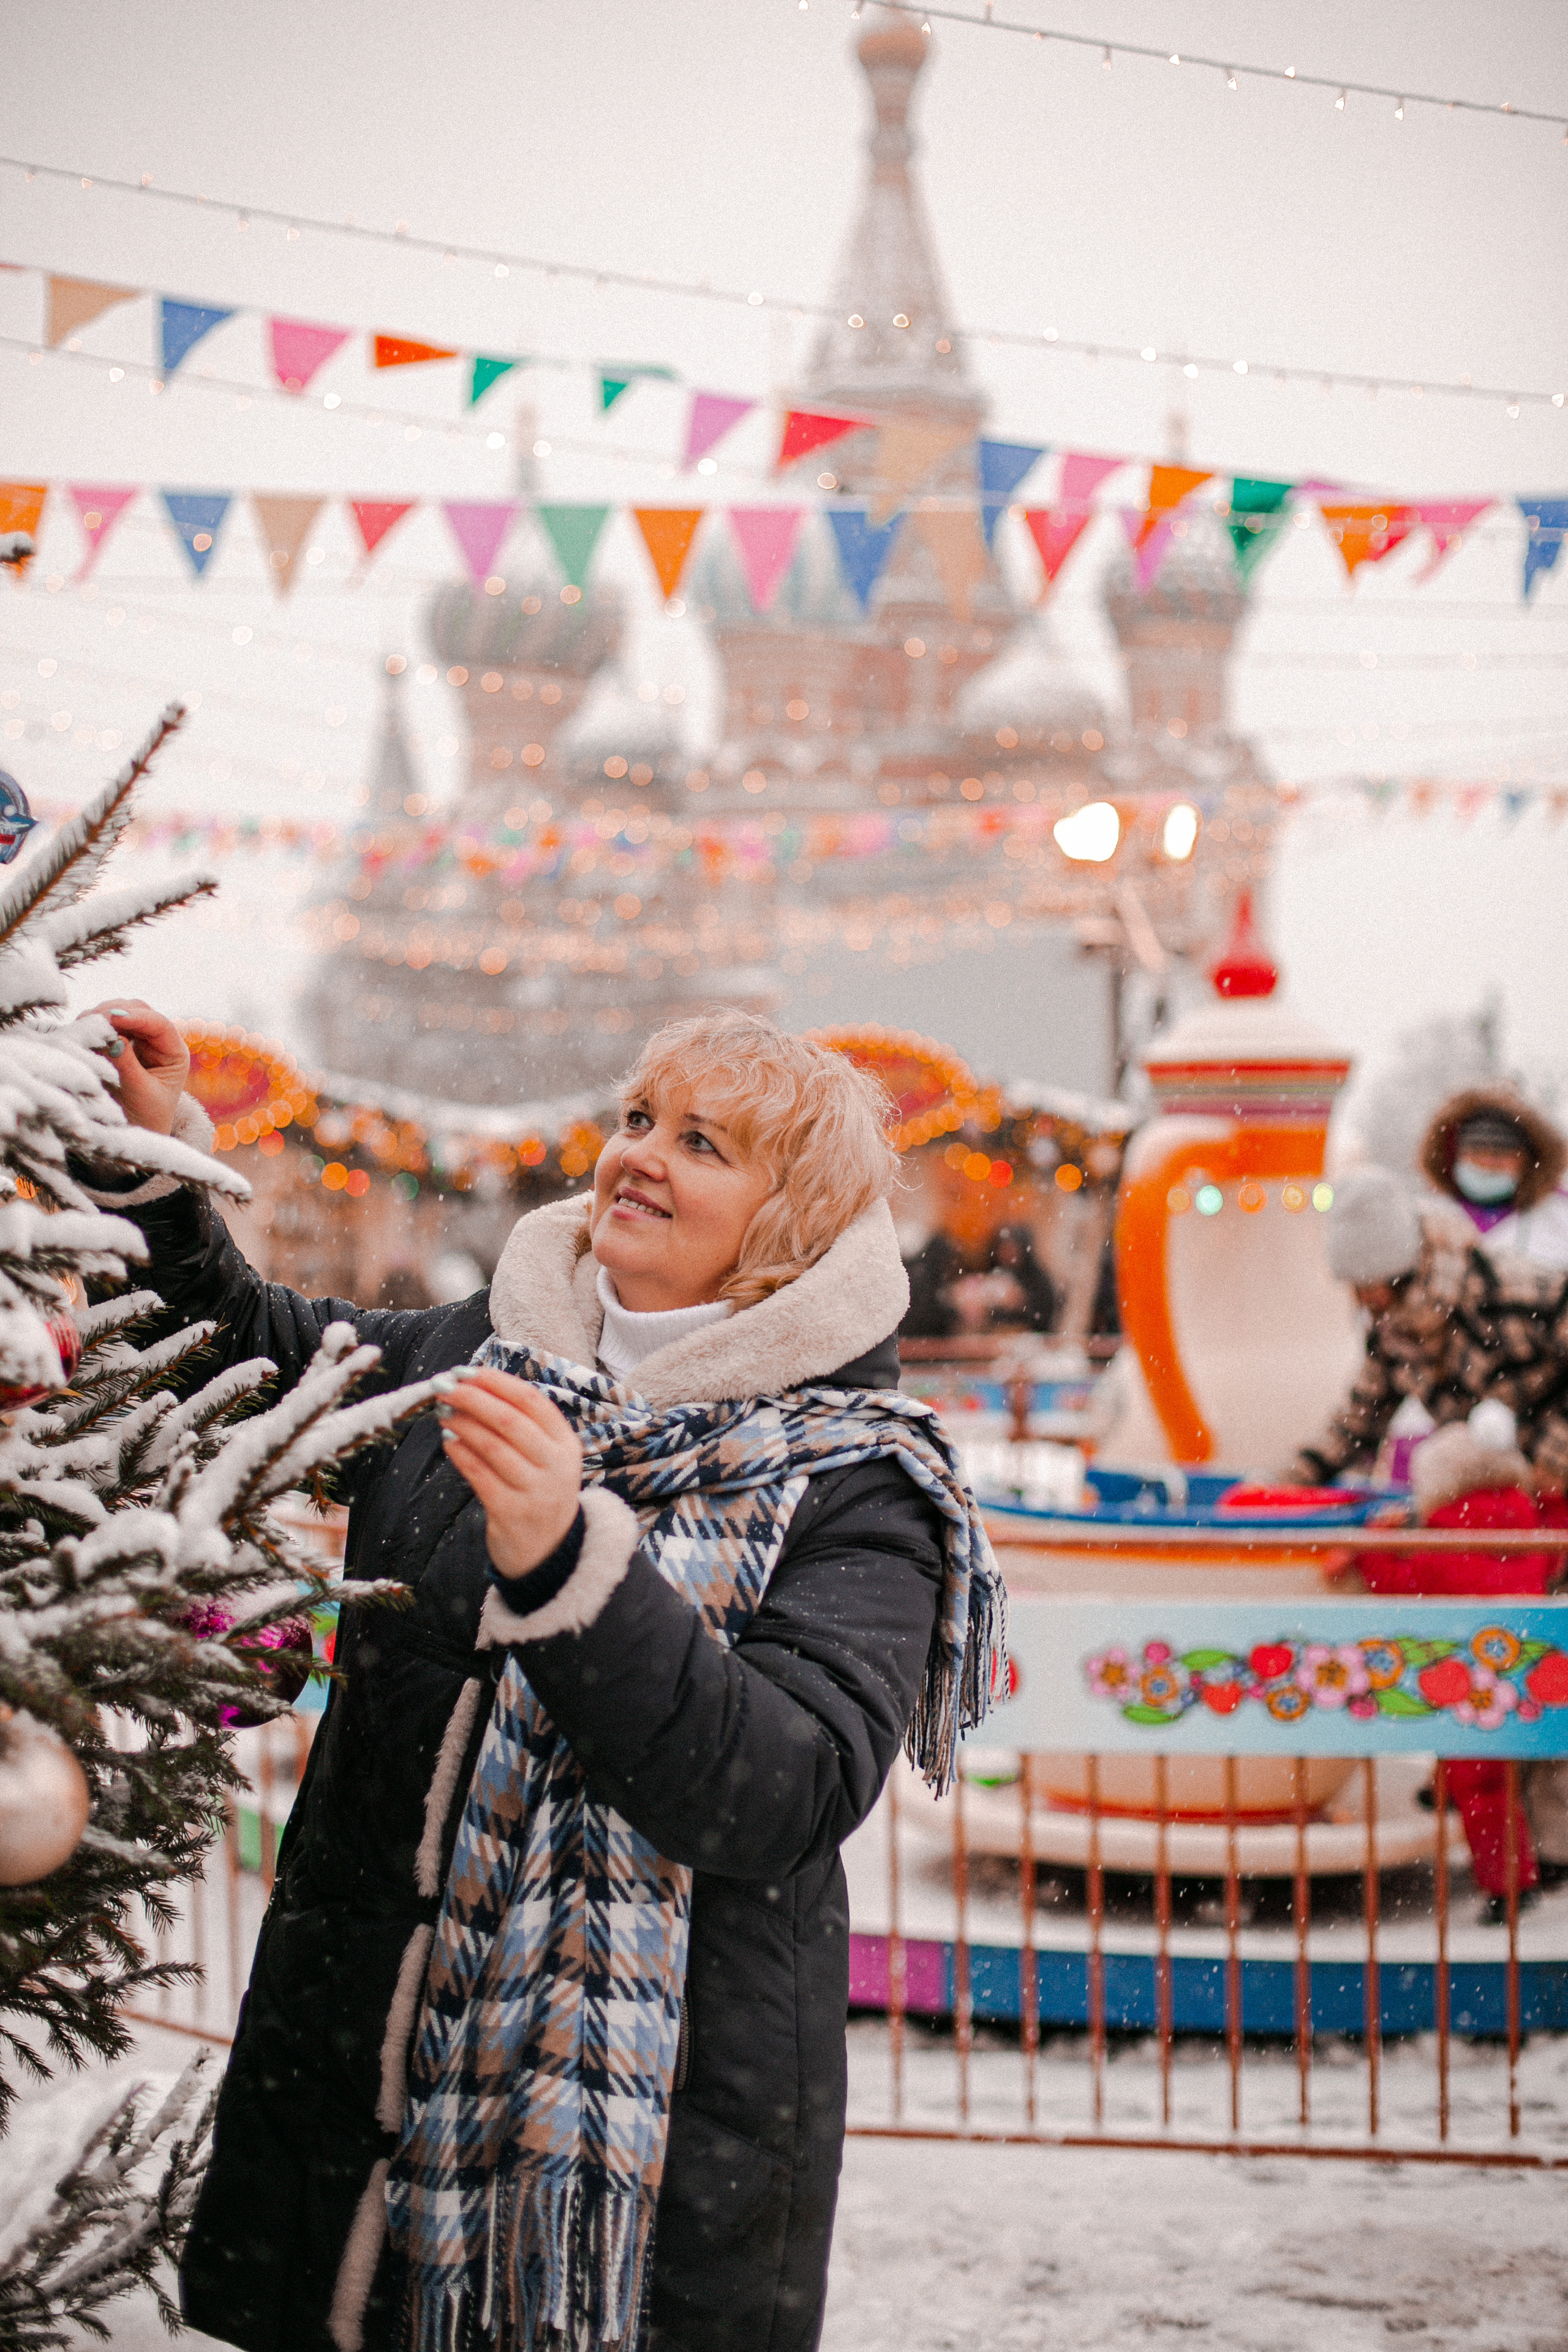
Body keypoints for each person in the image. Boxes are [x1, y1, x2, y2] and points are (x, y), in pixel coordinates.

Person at [79, 1000, 1005, 2352]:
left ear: (788, 1221)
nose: (639, 1155)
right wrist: (151, 1160)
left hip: (669, 2126)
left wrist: (574, 1568)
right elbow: (243, 1360)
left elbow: (780, 1791)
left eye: (702, 1143)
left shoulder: (862, 1483)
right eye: (638, 1118)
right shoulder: (476, 1354)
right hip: (367, 2076)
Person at [1359, 1412, 1561, 1921]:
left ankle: (1510, 1887)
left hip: (1473, 1686)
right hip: (1521, 1674)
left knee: (1485, 1787)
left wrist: (1368, 1546)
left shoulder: (1443, 1540)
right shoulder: (1528, 1524)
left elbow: (1393, 1580)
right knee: (1497, 1776)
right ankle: (1446, 1790)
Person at [1282, 1166, 1568, 1493]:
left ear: (1403, 1269)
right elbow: (1359, 1423)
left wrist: (1556, 1456)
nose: (1366, 1299)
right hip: (1497, 1491)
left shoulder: (1507, 1289)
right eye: (1356, 1287)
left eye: (1372, 1284)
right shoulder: (1391, 1331)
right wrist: (1289, 1482)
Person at [1421, 1084, 1568, 1269]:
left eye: (1500, 1155)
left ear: (1529, 1159)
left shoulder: (1560, 1218)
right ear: (1452, 1156)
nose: (1487, 1164)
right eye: (1475, 1153)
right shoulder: (1425, 1217)